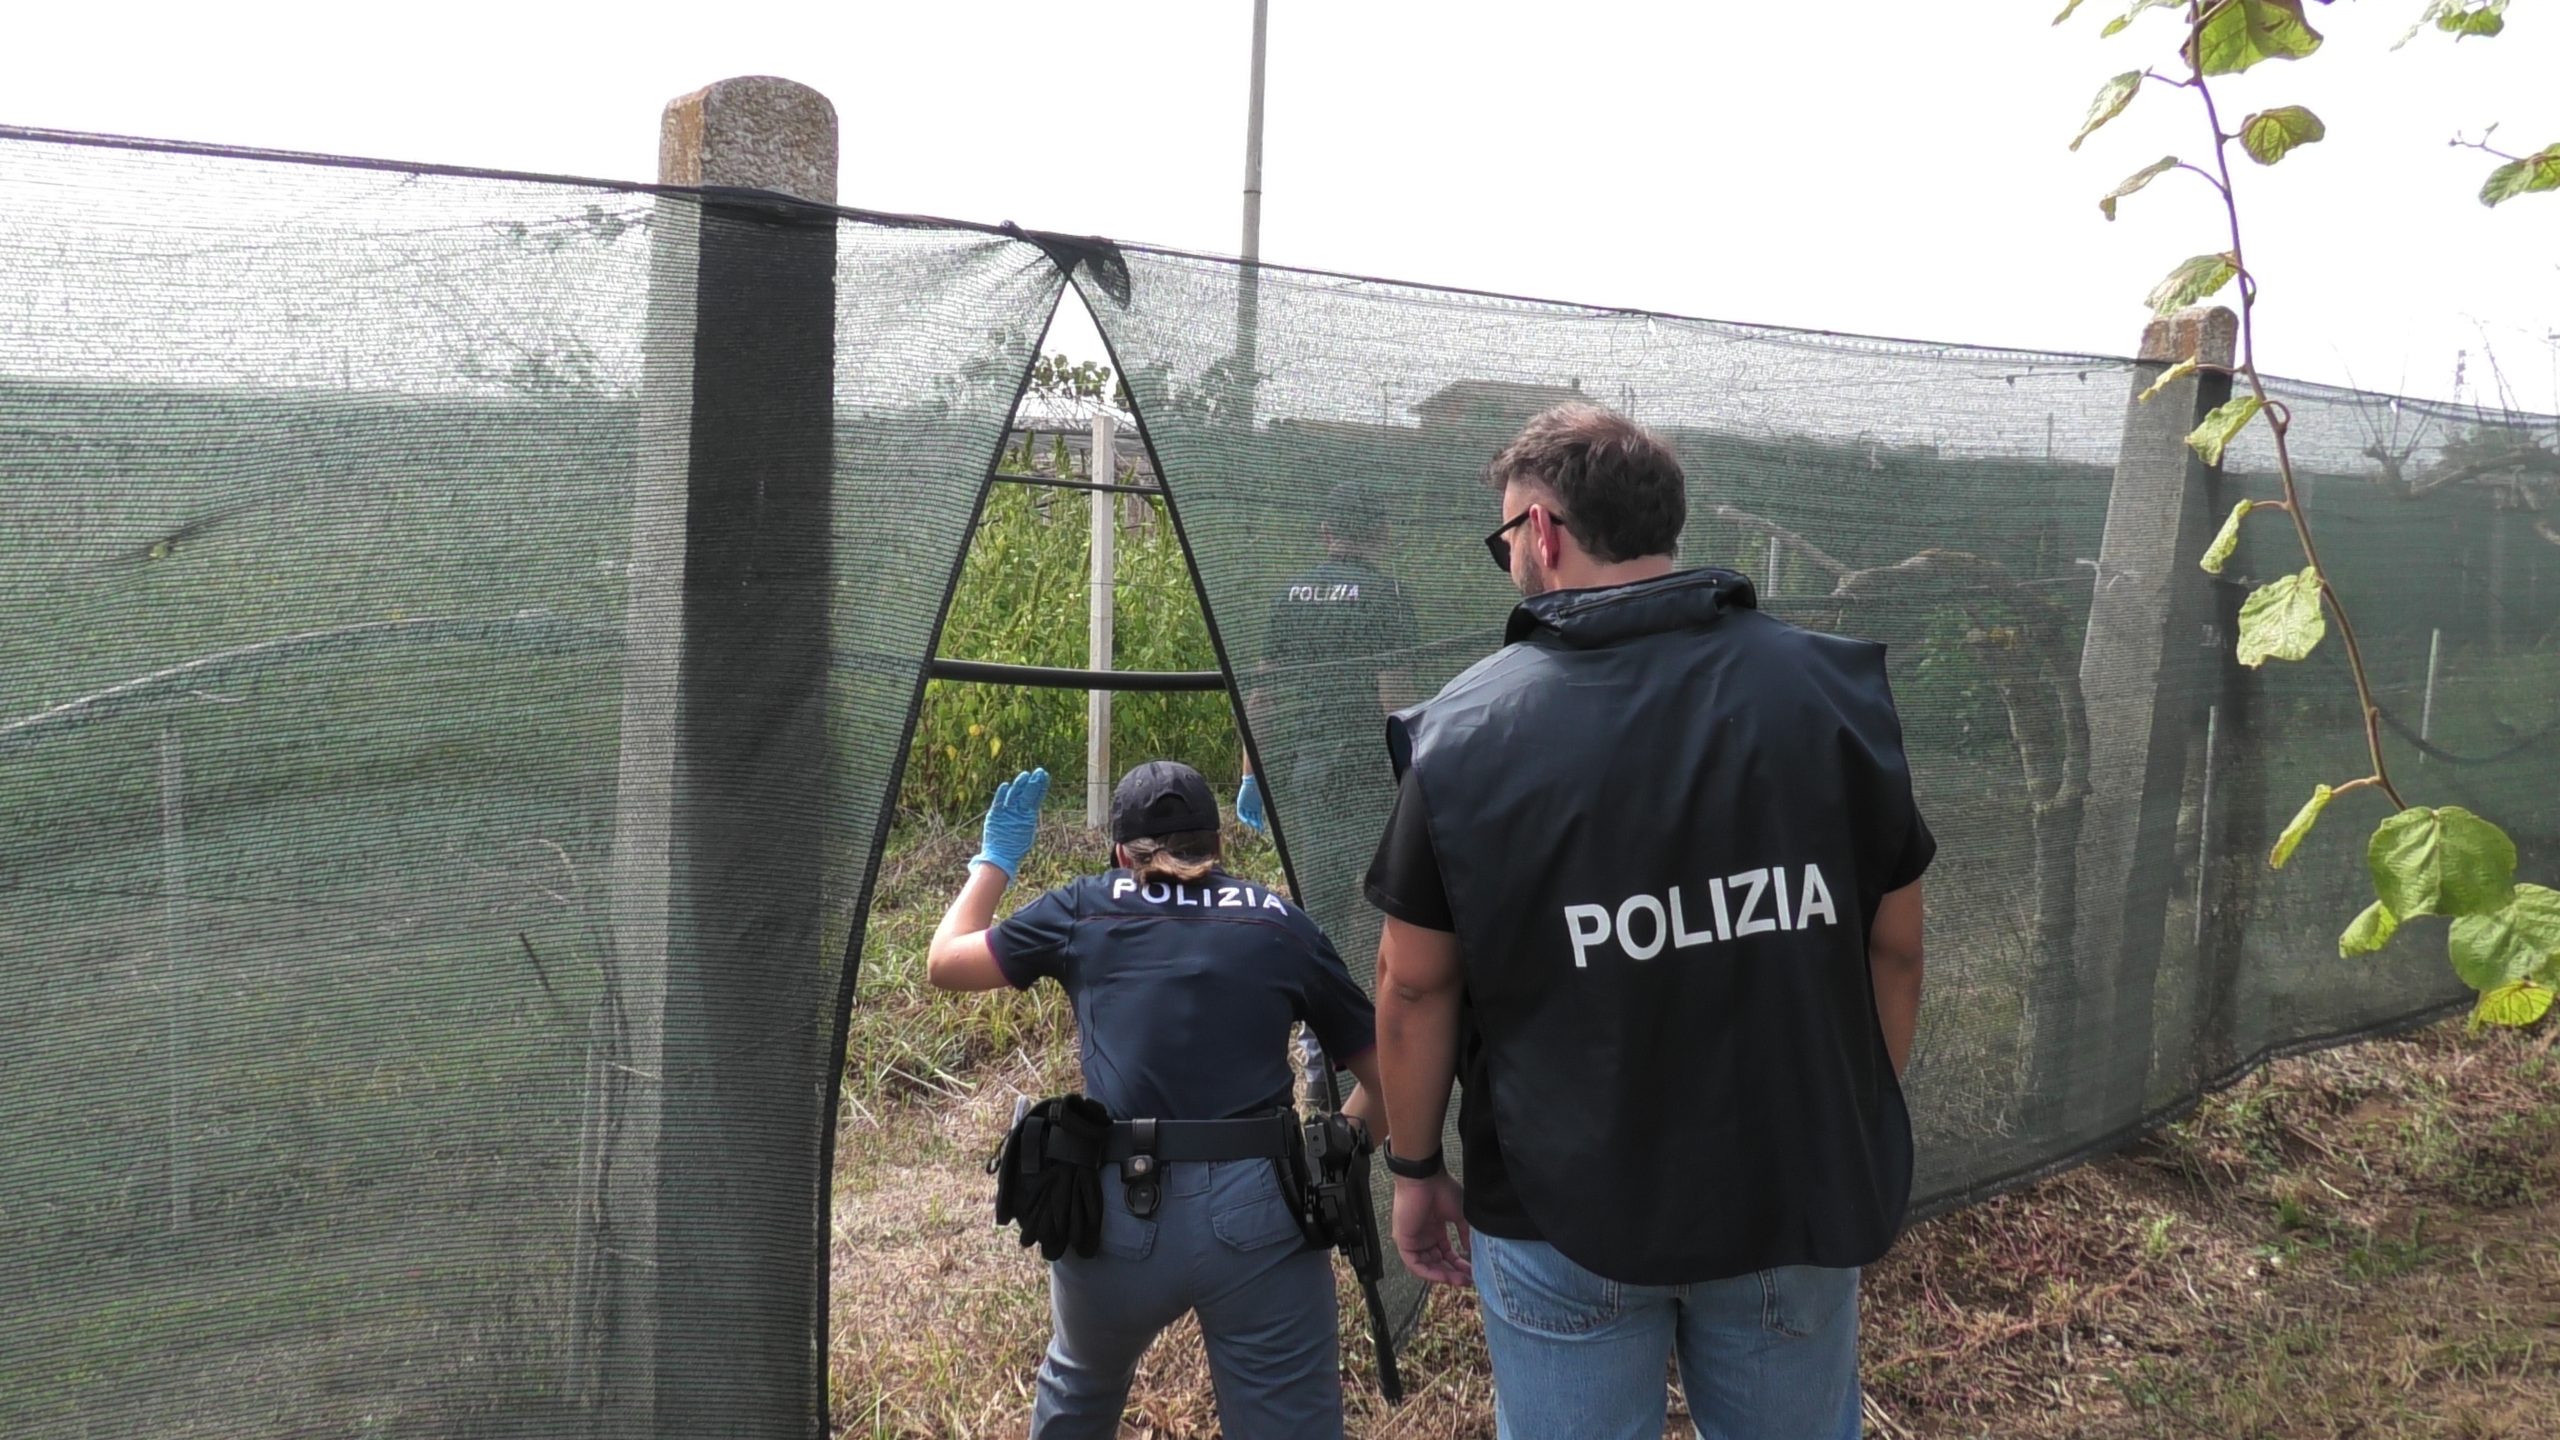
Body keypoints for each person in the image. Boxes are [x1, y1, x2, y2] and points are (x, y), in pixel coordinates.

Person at [1364, 404, 1932, 1440]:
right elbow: (1894, 943)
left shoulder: (1463, 736)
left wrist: (1413, 1169)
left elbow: (1411, 984)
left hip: (1555, 1207)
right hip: (1793, 1189)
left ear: (1541, 532)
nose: (1510, 562)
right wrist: (1841, 1118)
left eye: (1505, 543)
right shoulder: (1833, 694)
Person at [926, 761, 1388, 1440]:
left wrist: (993, 861)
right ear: (1217, 845)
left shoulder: (1083, 906)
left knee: (1079, 1385)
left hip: (1113, 1210)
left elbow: (944, 962)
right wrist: (1335, 1150)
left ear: (1120, 853)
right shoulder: (1280, 923)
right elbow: (1390, 1079)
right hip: (1260, 1209)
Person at [1236, 481, 1422, 925]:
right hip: (1371, 775)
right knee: (1384, 898)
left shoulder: (1290, 596)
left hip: (1313, 771)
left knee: (1320, 900)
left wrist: (1250, 775)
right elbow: (1393, 694)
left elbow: (1263, 697)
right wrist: (1419, 775)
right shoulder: (1387, 595)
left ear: (1325, 532)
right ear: (1382, 532)